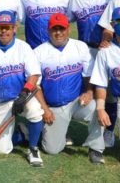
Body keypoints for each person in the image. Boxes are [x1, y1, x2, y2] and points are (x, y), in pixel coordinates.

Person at [0, 11, 45, 167]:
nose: (3, 31)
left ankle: (33, 148)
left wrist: (24, 95)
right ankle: (20, 132)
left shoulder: (23, 47)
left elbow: (34, 74)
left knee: (35, 110)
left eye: (7, 27)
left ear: (14, 28)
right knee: (2, 150)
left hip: (21, 95)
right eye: (0, 27)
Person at [33, 13, 105, 164]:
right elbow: (36, 85)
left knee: (97, 109)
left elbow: (88, 74)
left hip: (77, 102)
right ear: (48, 31)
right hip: (54, 107)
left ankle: (96, 148)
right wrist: (45, 109)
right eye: (54, 29)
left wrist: (89, 92)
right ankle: (33, 129)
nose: (58, 32)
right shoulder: (39, 52)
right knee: (52, 150)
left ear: (68, 29)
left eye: (62, 28)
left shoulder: (80, 46)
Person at [68, 0, 120, 147]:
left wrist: (108, 38)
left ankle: (109, 132)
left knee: (110, 93)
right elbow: (66, 21)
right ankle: (68, 125)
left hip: (108, 49)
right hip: (85, 49)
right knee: (83, 91)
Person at [90, 8, 120, 149]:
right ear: (112, 25)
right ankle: (109, 131)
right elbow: (101, 83)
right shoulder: (106, 52)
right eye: (119, 22)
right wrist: (100, 108)